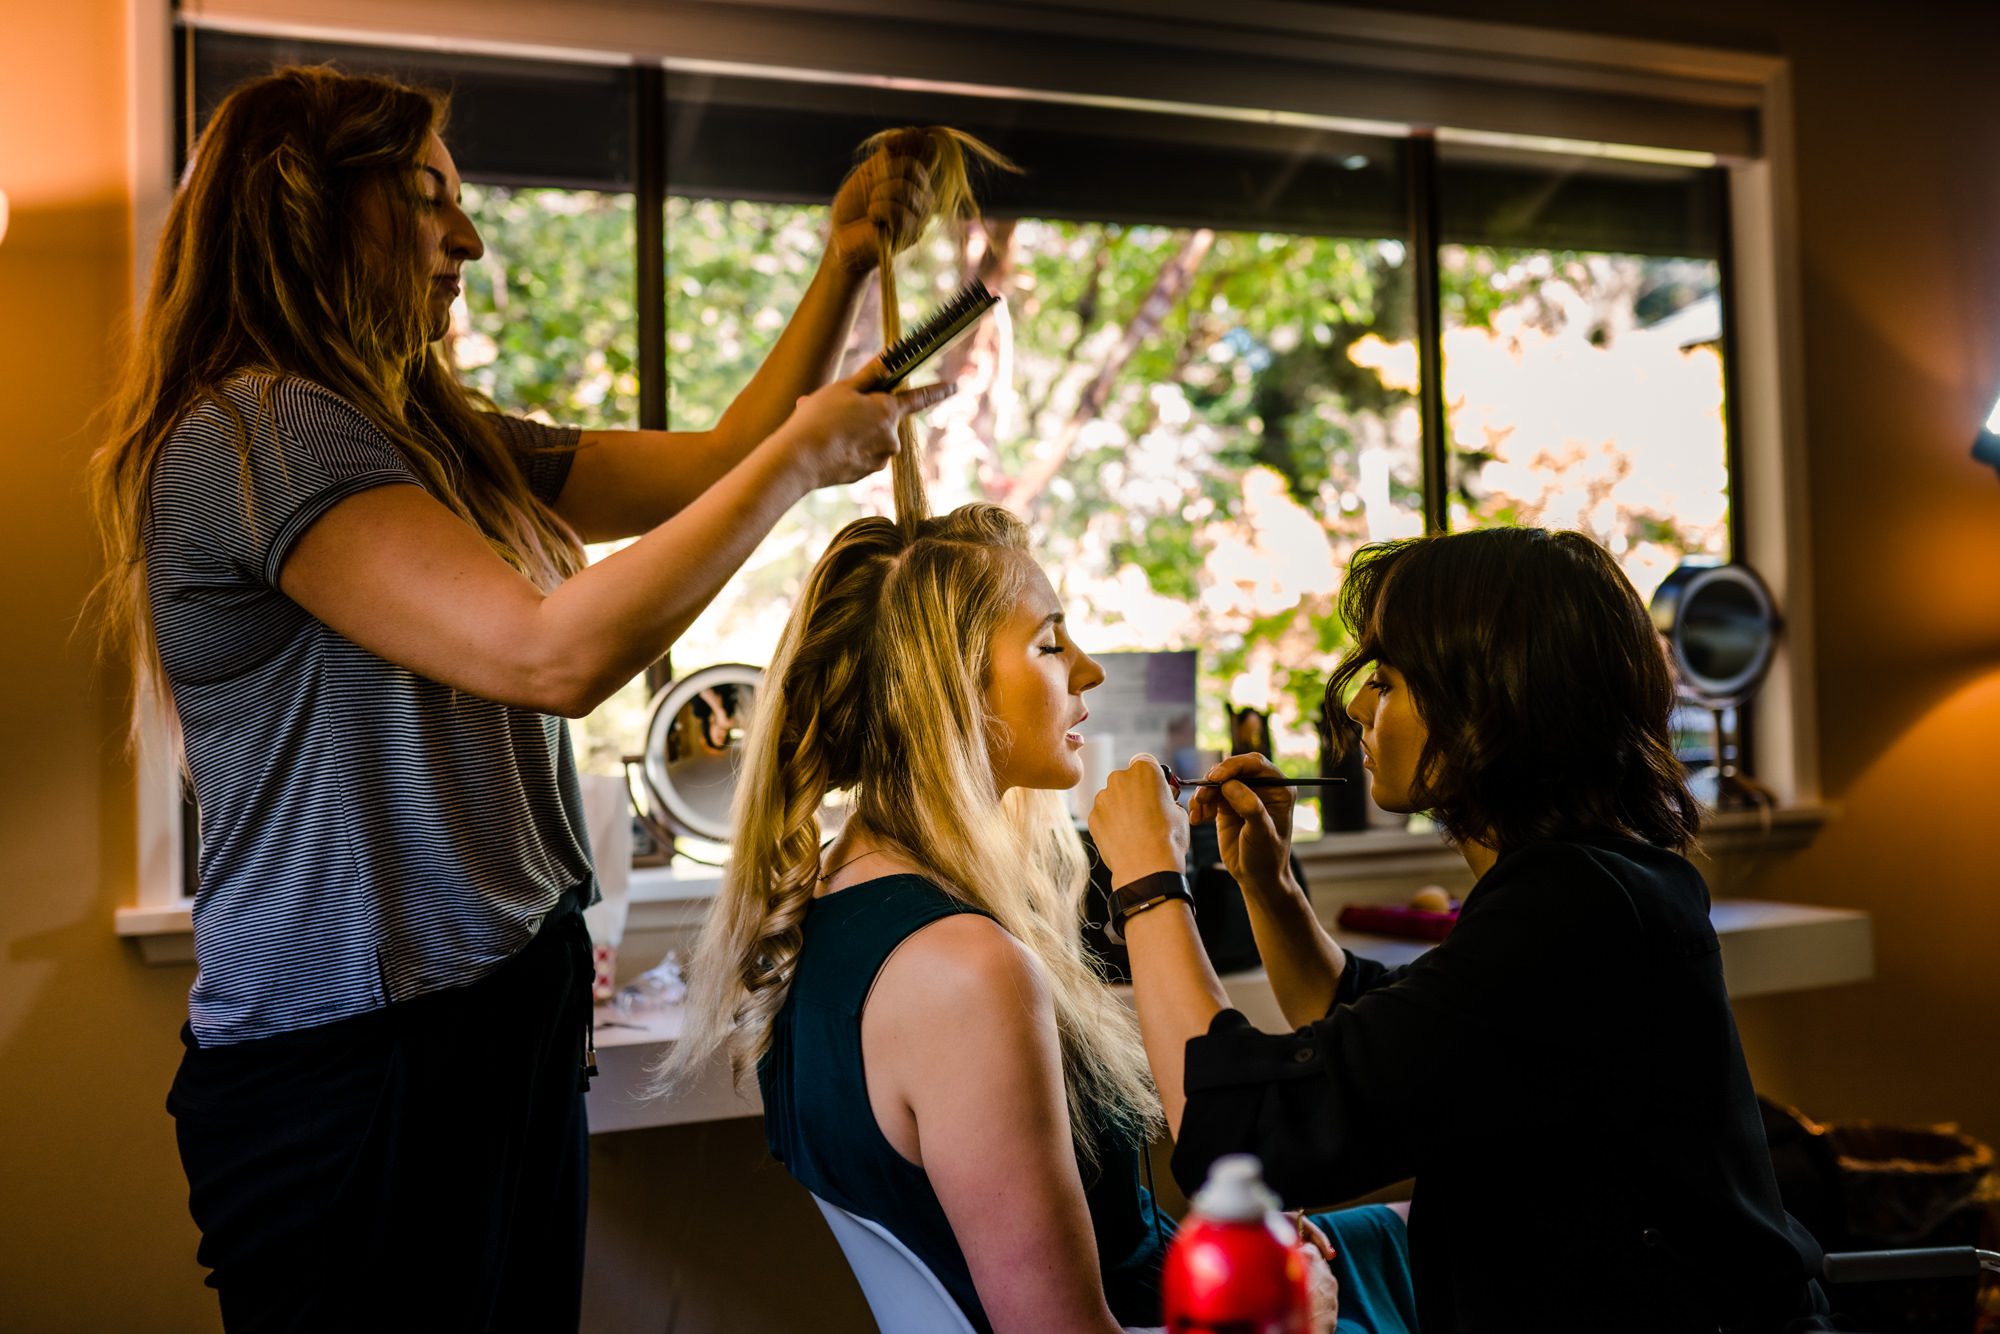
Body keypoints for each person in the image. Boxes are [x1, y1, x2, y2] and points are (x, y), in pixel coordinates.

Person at [85, 65, 950, 1332]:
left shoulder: (432, 436)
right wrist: (803, 460)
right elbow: (552, 655)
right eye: (425, 195)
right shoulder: (260, 429)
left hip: (494, 1010)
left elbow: (711, 465)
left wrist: (844, 266)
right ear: (307, 206)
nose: (468, 238)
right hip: (359, 1061)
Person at [669, 503, 1418, 1334]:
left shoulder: (831, 901)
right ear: (952, 691)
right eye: (1052, 644)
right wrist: (1282, 1311)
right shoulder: (966, 970)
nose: (1088, 671)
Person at [1087, 525, 1832, 1333]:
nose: (1360, 706)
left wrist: (1148, 881)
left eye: (1388, 680)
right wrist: (1267, 886)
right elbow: (1377, 1035)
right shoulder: (1592, 884)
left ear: (1486, 702)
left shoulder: (1569, 916)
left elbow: (1244, 1136)